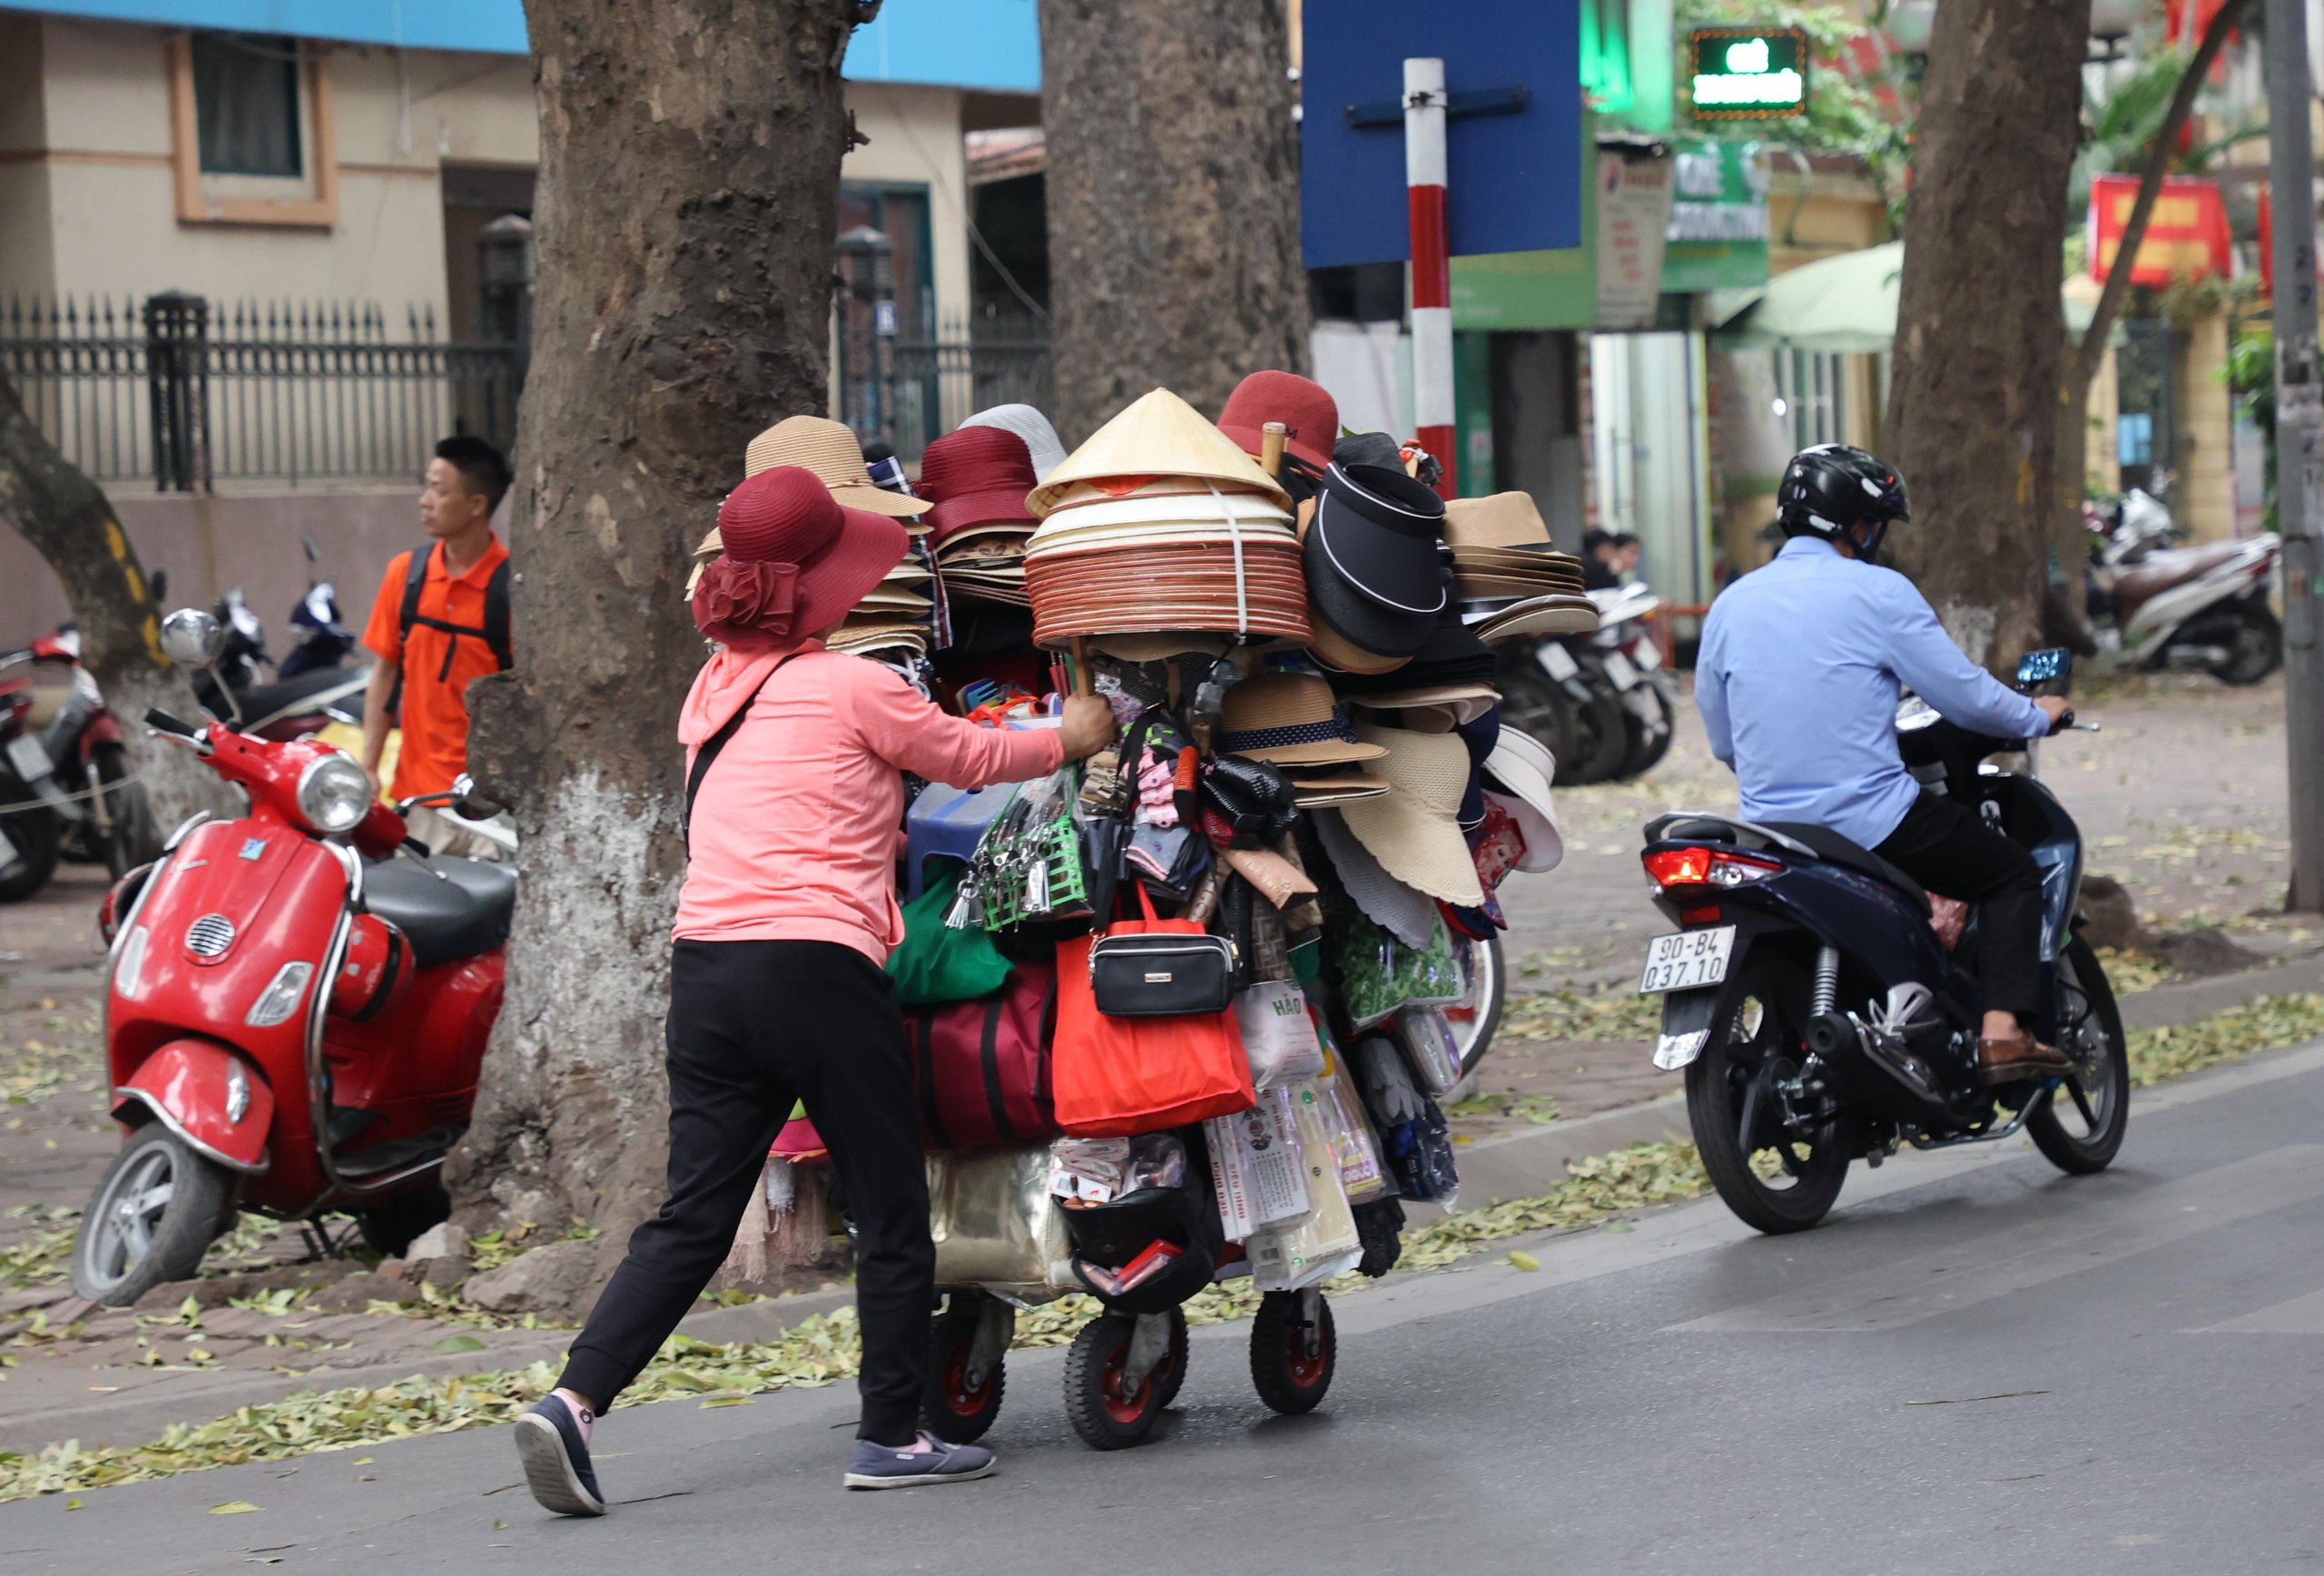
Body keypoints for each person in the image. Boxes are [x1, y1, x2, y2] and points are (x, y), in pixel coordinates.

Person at [513, 464, 1118, 1516]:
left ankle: (572, 1400)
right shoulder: (855, 684)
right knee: (890, 1206)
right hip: (818, 969)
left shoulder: (711, 692)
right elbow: (969, 756)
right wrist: (1073, 735)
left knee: (692, 1216)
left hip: (707, 970)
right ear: (824, 589)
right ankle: (891, 1433)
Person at [1693, 444, 2073, 1085]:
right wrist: (2037, 715)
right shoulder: (1877, 591)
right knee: (2011, 873)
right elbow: (1963, 694)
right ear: (1858, 526)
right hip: (1873, 821)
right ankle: (2003, 1032)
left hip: (1770, 832)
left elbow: (1723, 738)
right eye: (1875, 524)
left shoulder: (1731, 603)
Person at [359, 435, 514, 860]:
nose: (424, 501)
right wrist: (369, 767)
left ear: (477, 504)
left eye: (439, 491)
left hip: (491, 809)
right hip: (420, 800)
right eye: (426, 487)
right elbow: (385, 672)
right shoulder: (406, 575)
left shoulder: (511, 589)